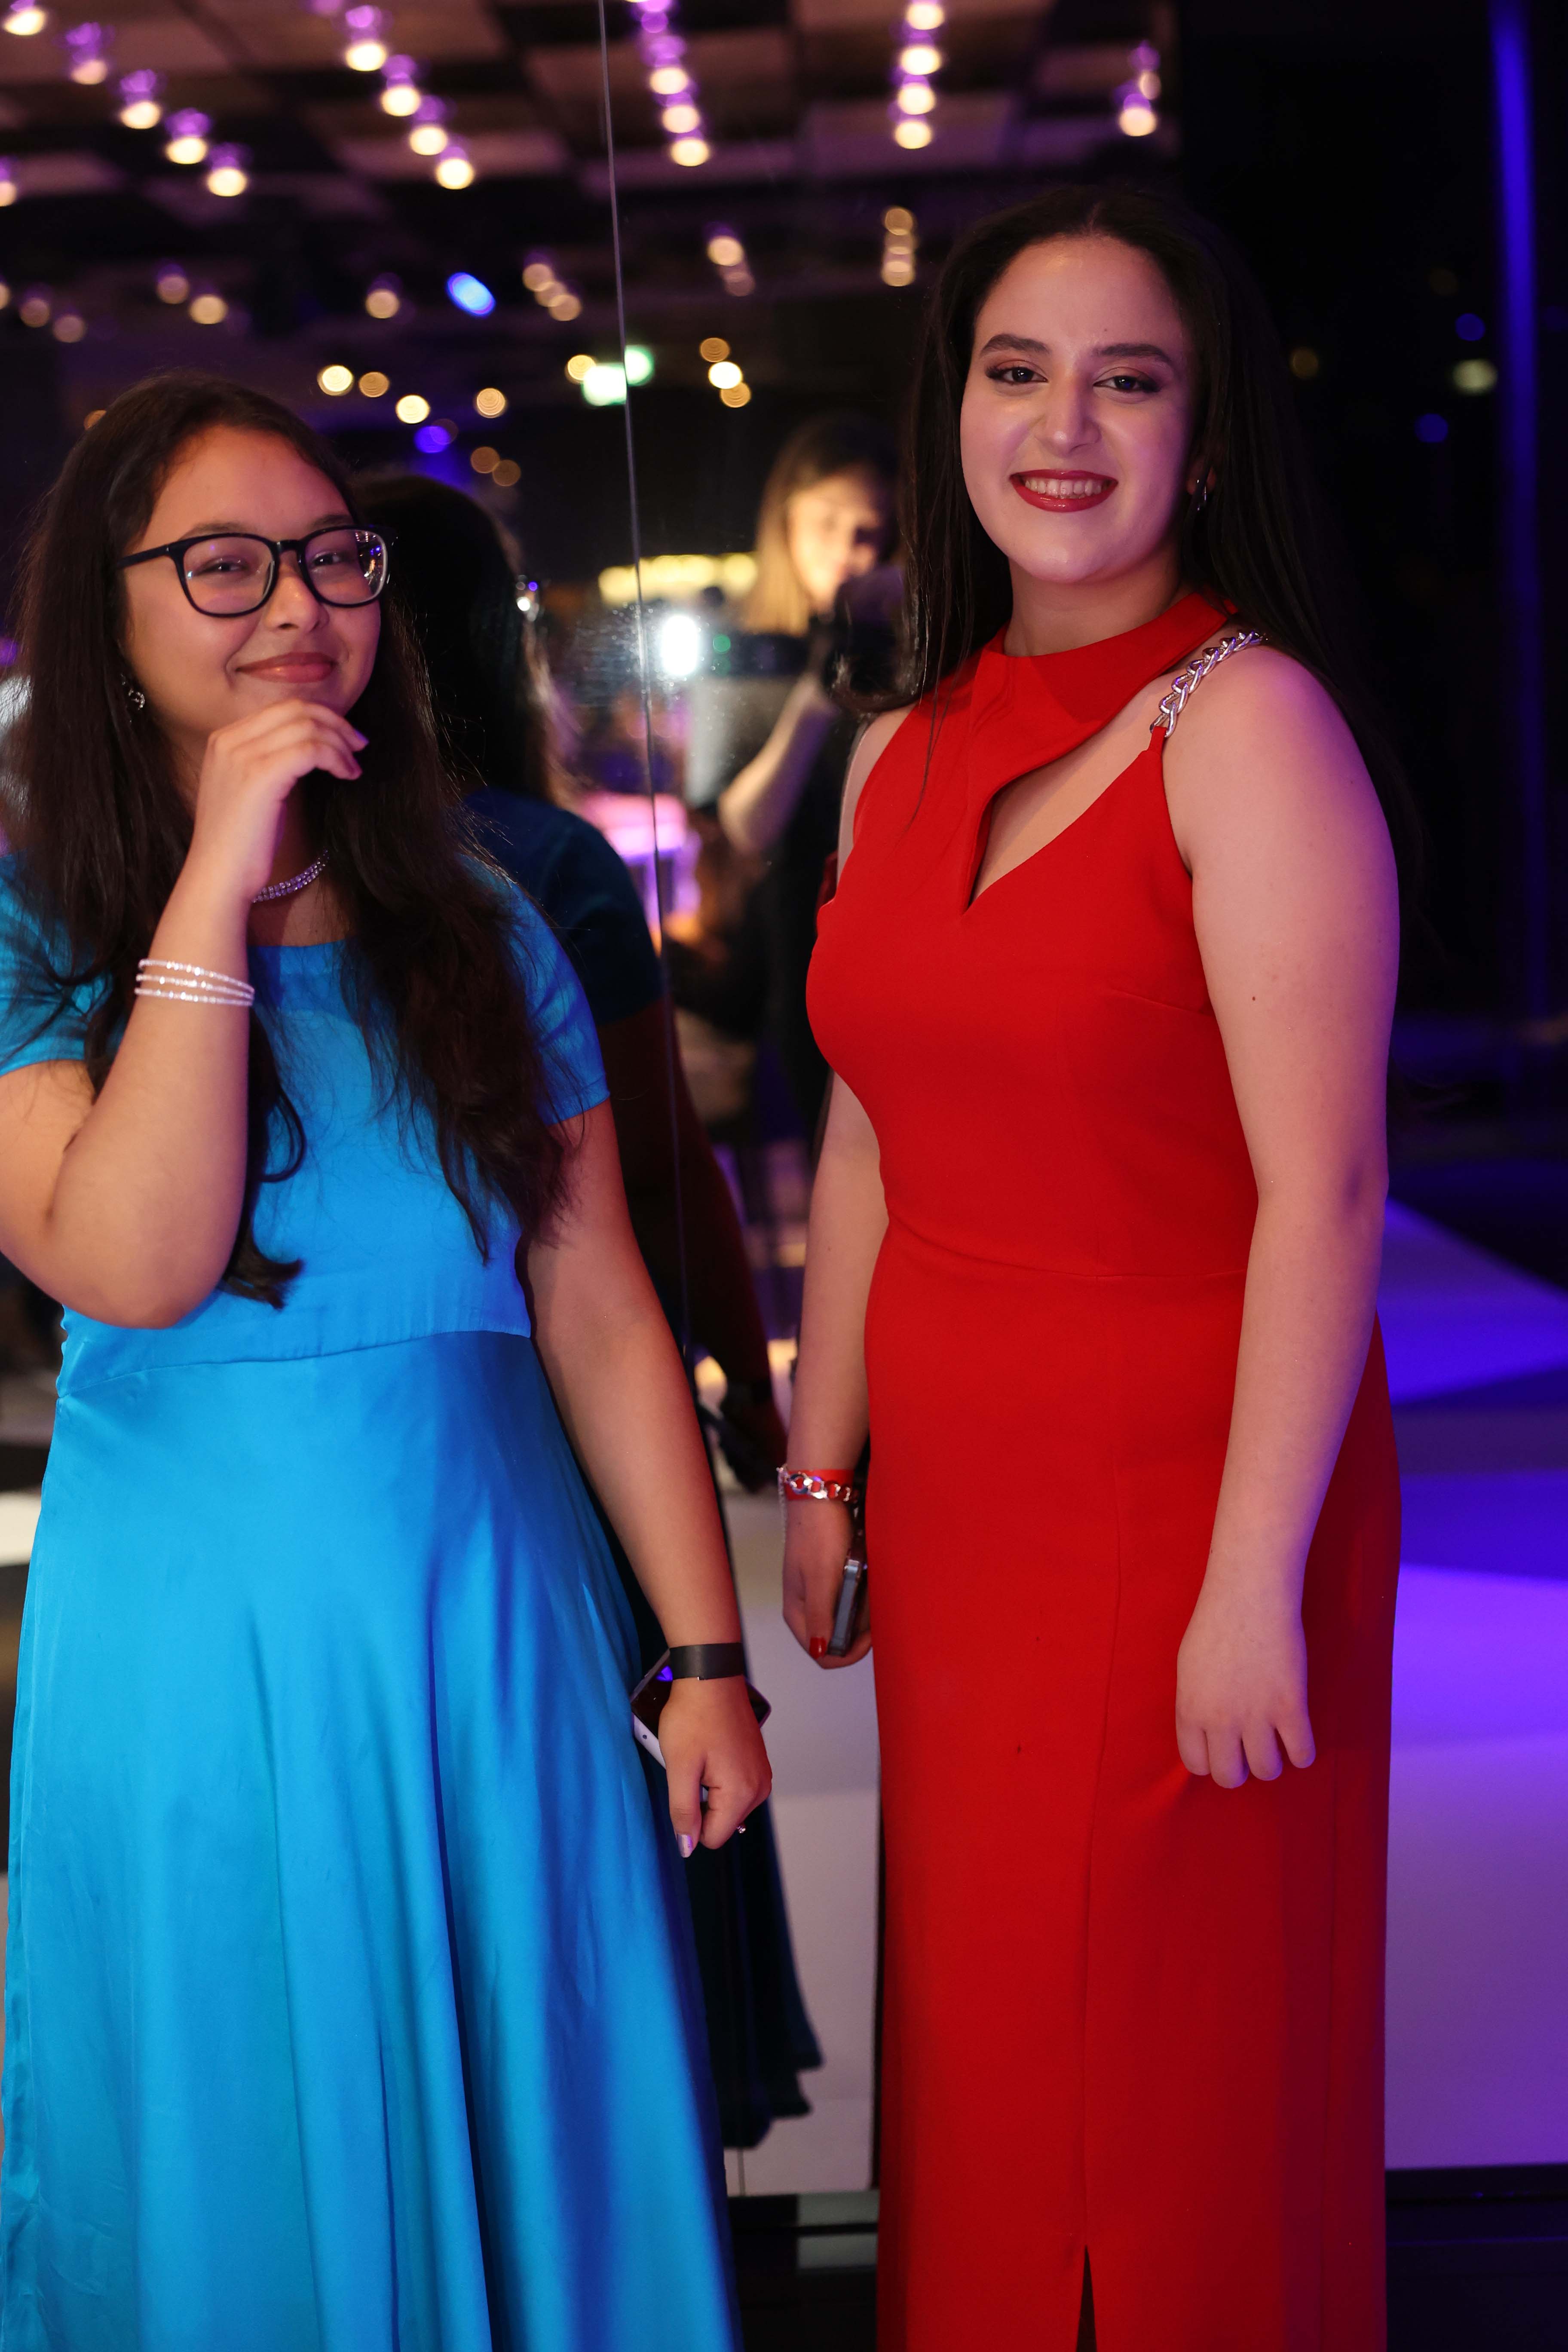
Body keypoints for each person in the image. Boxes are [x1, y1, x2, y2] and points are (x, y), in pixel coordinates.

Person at [0, 371, 767, 2350]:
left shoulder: (478, 921)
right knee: (252, 2154)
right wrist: (218, 870)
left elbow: (598, 1300)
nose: (296, 605)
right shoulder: (32, 931)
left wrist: (703, 1655)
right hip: (200, 1662)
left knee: (538, 2140)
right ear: (107, 615)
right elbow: (134, 1257)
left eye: (331, 560)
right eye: (225, 565)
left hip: (490, 1632)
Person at [784, 187, 1414, 2352]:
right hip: (969, 1507)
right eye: (1016, 372)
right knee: (985, 2051)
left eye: (1127, 381)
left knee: (1176, 2079)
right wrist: (822, 1464)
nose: (1063, 427)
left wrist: (1251, 1575)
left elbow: (1327, 1193)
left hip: (1197, 1493)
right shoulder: (896, 751)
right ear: (953, 409)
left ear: (1204, 440)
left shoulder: (1250, 726)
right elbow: (865, 1131)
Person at [353, 471, 821, 2147]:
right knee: (606, 1844)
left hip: (411, 1431)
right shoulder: (540, 858)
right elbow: (660, 1178)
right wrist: (750, 1387)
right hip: (551, 1425)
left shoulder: (325, 866)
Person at [693, 415, 900, 1138]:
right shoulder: (747, 649)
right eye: (826, 523)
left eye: (869, 530)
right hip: (796, 951)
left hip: (897, 942)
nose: (847, 551)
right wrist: (816, 699)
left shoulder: (908, 644)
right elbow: (748, 827)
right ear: (785, 523)